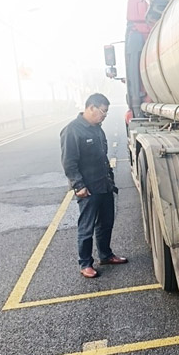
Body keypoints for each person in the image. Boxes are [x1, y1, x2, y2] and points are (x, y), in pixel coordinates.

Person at [60, 93, 127, 278]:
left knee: (106, 223)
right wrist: (78, 185)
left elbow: (102, 156)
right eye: (103, 111)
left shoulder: (97, 128)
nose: (104, 116)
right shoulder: (72, 130)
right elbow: (69, 162)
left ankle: (105, 255)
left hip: (104, 185)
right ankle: (85, 264)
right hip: (88, 189)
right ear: (91, 108)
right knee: (86, 227)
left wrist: (110, 179)